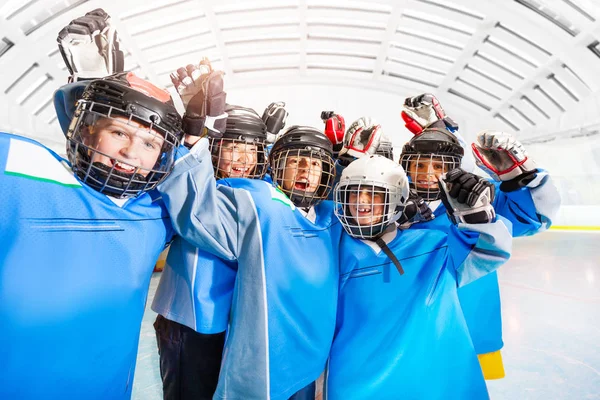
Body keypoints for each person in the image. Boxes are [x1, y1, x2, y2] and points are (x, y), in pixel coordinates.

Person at [0, 72, 185, 400]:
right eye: (118, 132)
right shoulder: (21, 166)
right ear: (86, 127)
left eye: (150, 143)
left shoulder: (156, 210)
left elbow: (213, 199)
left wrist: (198, 129)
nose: (131, 152)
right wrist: (93, 82)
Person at [399, 94, 561, 379]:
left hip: (469, 323)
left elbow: (535, 218)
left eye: (439, 166)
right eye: (419, 165)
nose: (427, 174)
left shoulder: (482, 198)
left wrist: (519, 178)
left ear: (454, 169)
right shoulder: (393, 206)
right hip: (411, 329)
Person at [325, 154, 513, 399]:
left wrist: (478, 218)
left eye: (375, 193)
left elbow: (490, 253)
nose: (361, 201)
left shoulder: (435, 245)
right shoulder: (332, 249)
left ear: (397, 200)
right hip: (356, 379)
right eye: (353, 193)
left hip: (432, 379)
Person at [151, 103, 278, 400]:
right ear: (213, 149)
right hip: (190, 321)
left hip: (238, 322)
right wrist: (193, 138)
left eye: (252, 150)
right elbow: (192, 201)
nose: (242, 159)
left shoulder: (259, 191)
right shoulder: (192, 182)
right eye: (231, 147)